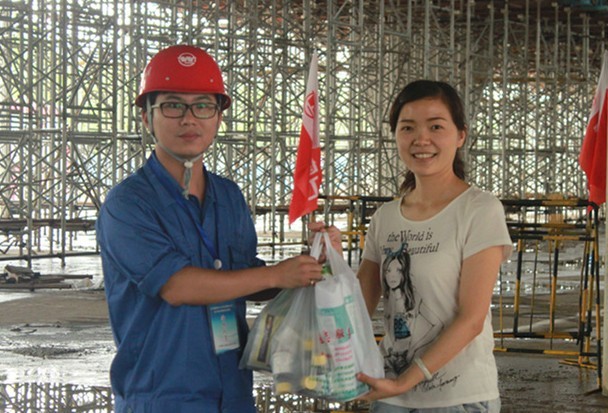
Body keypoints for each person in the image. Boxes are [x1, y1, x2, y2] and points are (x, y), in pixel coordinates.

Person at [95, 44, 338, 413]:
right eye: (172, 105)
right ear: (146, 117)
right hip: (162, 398)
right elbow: (177, 286)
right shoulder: (127, 204)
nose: (189, 119)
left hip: (232, 393)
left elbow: (246, 277)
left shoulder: (228, 196)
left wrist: (308, 264)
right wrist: (276, 274)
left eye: (203, 106)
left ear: (219, 117)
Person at [355, 80, 513, 412]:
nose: (421, 139)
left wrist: (406, 380)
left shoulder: (479, 209)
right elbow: (357, 306)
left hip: (457, 399)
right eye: (407, 127)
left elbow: (471, 319)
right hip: (390, 396)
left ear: (460, 136)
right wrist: (326, 260)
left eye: (436, 126)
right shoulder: (385, 218)